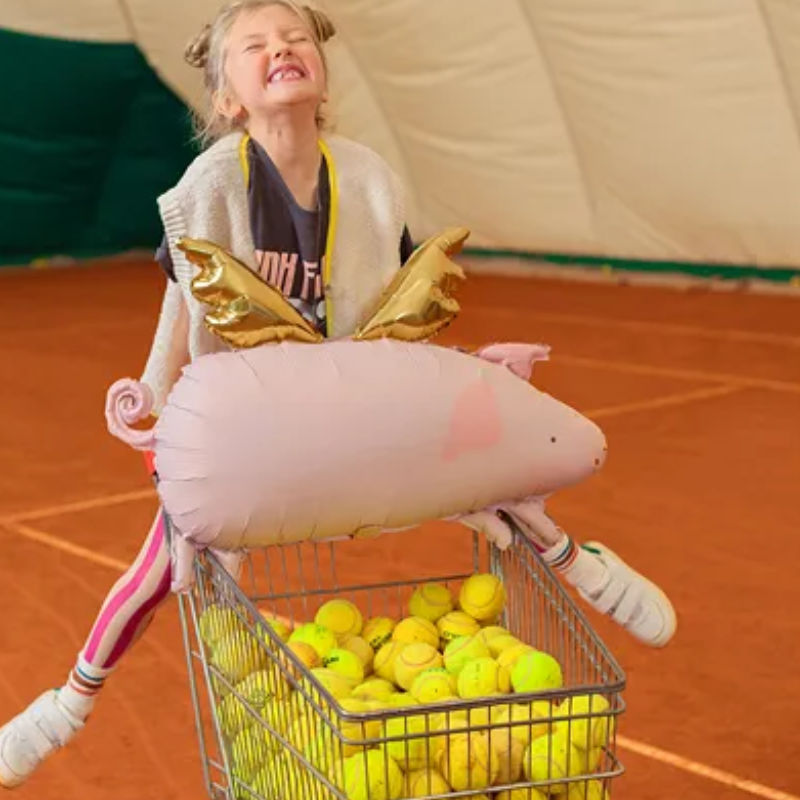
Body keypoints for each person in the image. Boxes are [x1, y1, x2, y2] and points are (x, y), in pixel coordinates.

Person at [0, 0, 673, 787]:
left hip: (352, 408)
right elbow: (184, 308)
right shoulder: (211, 186)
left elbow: (394, 313)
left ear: (321, 73)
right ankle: (65, 706)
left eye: (295, 38)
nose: (281, 49)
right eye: (255, 45)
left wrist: (455, 384)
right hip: (261, 428)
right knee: (163, 565)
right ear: (227, 98)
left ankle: (582, 564)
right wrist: (154, 407)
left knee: (493, 470)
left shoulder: (365, 176)